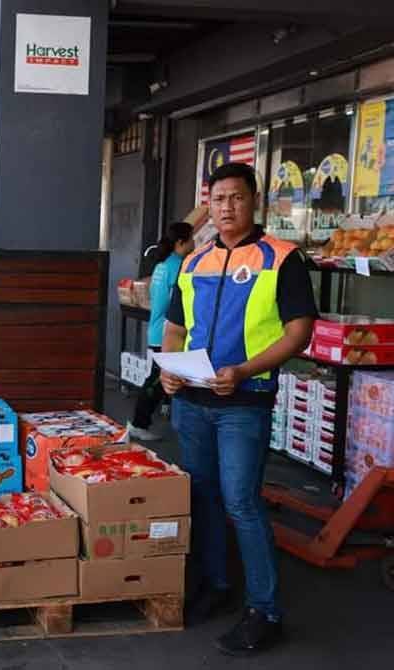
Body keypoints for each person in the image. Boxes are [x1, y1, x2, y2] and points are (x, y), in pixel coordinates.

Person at [161, 162, 316, 655]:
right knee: (203, 495)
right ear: (208, 204)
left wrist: (245, 371)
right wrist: (167, 368)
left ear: (255, 202)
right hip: (191, 400)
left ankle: (264, 609)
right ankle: (216, 586)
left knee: (242, 502)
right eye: (218, 199)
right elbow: (176, 325)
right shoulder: (194, 262)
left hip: (242, 403)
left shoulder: (283, 258)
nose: (226, 207)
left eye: (237, 198)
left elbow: (299, 332)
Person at [128, 221, 195, 442]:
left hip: (157, 330)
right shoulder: (178, 266)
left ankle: (141, 421)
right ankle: (139, 423)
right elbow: (182, 301)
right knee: (157, 380)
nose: (194, 244)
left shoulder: (161, 265)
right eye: (192, 239)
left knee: (158, 378)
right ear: (181, 242)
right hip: (168, 332)